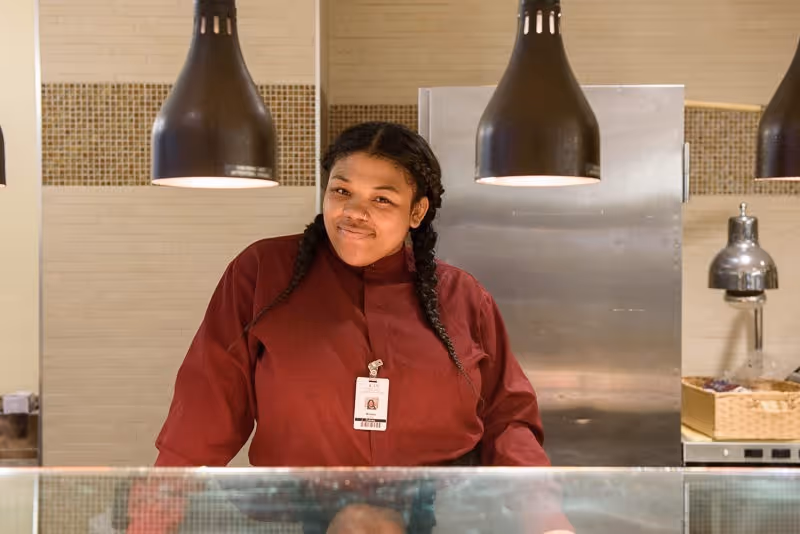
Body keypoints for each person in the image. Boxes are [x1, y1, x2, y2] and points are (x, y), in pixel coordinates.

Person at [142, 122, 574, 533]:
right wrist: (154, 517)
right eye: (341, 191)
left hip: (442, 512)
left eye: (382, 199)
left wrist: (545, 518)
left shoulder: (462, 296)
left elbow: (507, 418)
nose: (353, 212)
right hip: (295, 512)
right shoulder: (261, 274)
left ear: (417, 211)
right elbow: (207, 403)